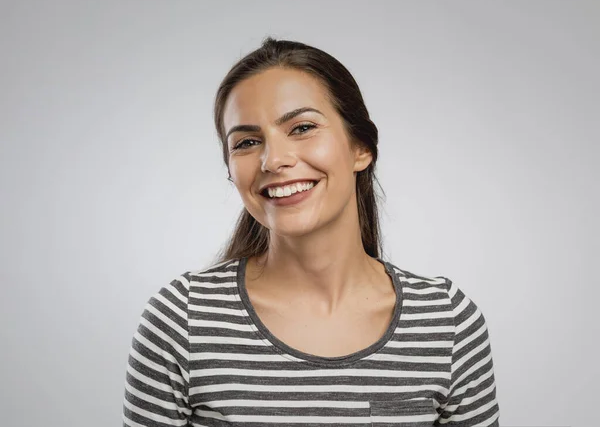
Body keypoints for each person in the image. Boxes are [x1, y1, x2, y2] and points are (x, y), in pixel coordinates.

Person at [122, 37, 500, 426]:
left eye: (301, 127)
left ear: (361, 148)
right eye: (247, 142)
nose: (274, 160)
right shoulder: (181, 320)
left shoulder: (446, 321)